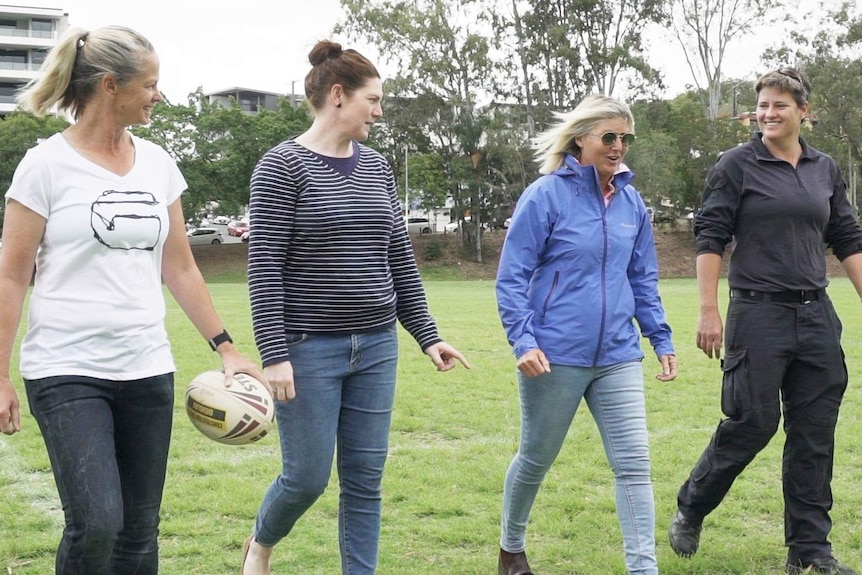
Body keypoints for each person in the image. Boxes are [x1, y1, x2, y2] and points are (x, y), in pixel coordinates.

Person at [0, 25, 266, 575]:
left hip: (146, 368)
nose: (158, 96)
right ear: (109, 86)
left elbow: (181, 265)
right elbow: (10, 276)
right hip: (65, 370)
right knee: (96, 522)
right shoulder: (44, 166)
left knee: (139, 532)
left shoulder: (158, 165)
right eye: (150, 85)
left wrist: (226, 348)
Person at [239, 40, 469, 575]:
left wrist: (427, 335)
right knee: (306, 478)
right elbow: (264, 266)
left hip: (377, 347)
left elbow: (398, 259)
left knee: (366, 480)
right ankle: (261, 544)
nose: (380, 110)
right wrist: (274, 354)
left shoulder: (377, 169)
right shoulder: (281, 166)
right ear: (338, 96)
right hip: (307, 349)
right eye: (375, 98)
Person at [668, 68, 862, 575]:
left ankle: (810, 551)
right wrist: (709, 311)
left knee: (815, 434)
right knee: (752, 422)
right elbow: (710, 237)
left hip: (816, 313)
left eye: (779, 105)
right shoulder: (736, 165)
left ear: (803, 111)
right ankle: (692, 504)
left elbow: (846, 237)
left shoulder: (824, 168)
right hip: (757, 312)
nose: (768, 114)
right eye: (762, 105)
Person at [495, 94, 678, 575]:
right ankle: (511, 548)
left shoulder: (632, 202)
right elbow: (512, 276)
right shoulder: (545, 195)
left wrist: (659, 338)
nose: (619, 146)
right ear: (581, 139)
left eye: (625, 138)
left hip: (618, 354)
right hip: (554, 355)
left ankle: (643, 568)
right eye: (609, 137)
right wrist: (524, 341)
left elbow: (642, 277)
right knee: (536, 458)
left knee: (634, 464)